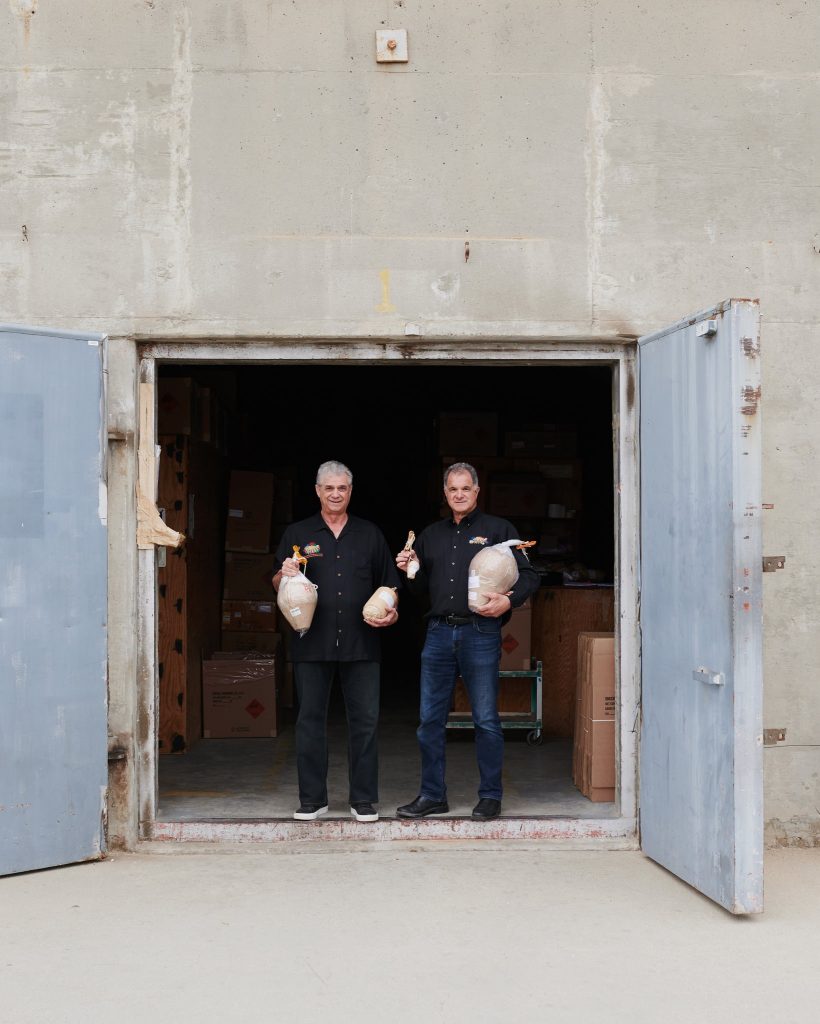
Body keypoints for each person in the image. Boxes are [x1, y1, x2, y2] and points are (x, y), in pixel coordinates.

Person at [395, 462, 540, 821]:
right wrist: (409, 569)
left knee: (486, 719)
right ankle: (432, 795)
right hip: (439, 632)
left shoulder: (499, 530)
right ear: (445, 494)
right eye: (452, 489)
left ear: (476, 492)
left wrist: (510, 600)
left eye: (465, 489)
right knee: (429, 720)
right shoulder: (430, 535)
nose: (459, 495)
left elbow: (529, 575)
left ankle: (490, 796)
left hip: (480, 632)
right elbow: (419, 591)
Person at [272, 461, 399, 822]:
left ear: (350, 491)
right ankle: (313, 799)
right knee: (310, 720)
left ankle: (363, 799)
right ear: (317, 490)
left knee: (365, 720)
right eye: (329, 488)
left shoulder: (370, 534)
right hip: (312, 642)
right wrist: (284, 574)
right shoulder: (298, 534)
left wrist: (391, 611)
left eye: (342, 488)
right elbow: (277, 584)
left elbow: (390, 584)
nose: (335, 494)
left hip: (362, 642)